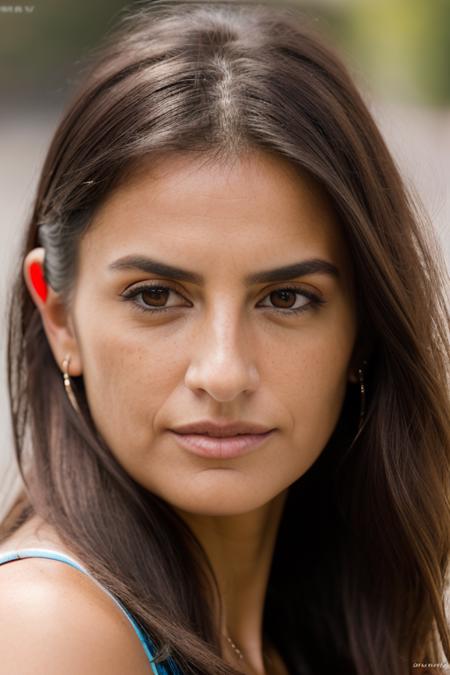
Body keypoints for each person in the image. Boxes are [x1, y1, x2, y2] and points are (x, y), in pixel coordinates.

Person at [0, 1, 449, 673]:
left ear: (363, 327)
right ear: (59, 317)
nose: (223, 371)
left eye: (287, 298)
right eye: (155, 296)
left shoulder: (322, 622)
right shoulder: (52, 630)